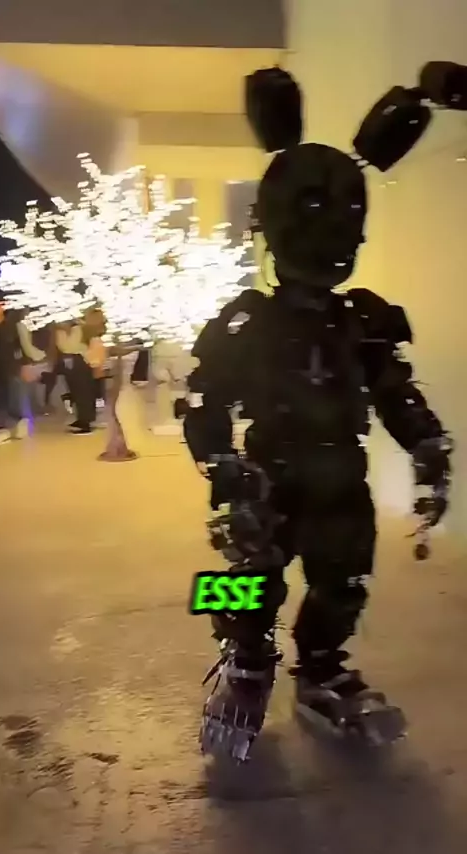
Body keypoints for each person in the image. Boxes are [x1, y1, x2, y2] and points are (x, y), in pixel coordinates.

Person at [180, 65, 459, 761]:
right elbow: (205, 399)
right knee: (246, 581)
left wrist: (427, 445)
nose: (334, 232)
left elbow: (394, 391)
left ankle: (323, 666)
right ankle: (243, 660)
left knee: (345, 581)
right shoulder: (249, 321)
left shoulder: (362, 320)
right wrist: (223, 467)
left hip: (342, 481)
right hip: (268, 479)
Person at [0, 294, 29, 446]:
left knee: (12, 399)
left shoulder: (12, 327)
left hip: (10, 369)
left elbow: (21, 347)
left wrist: (24, 365)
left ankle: (20, 421)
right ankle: (2, 431)